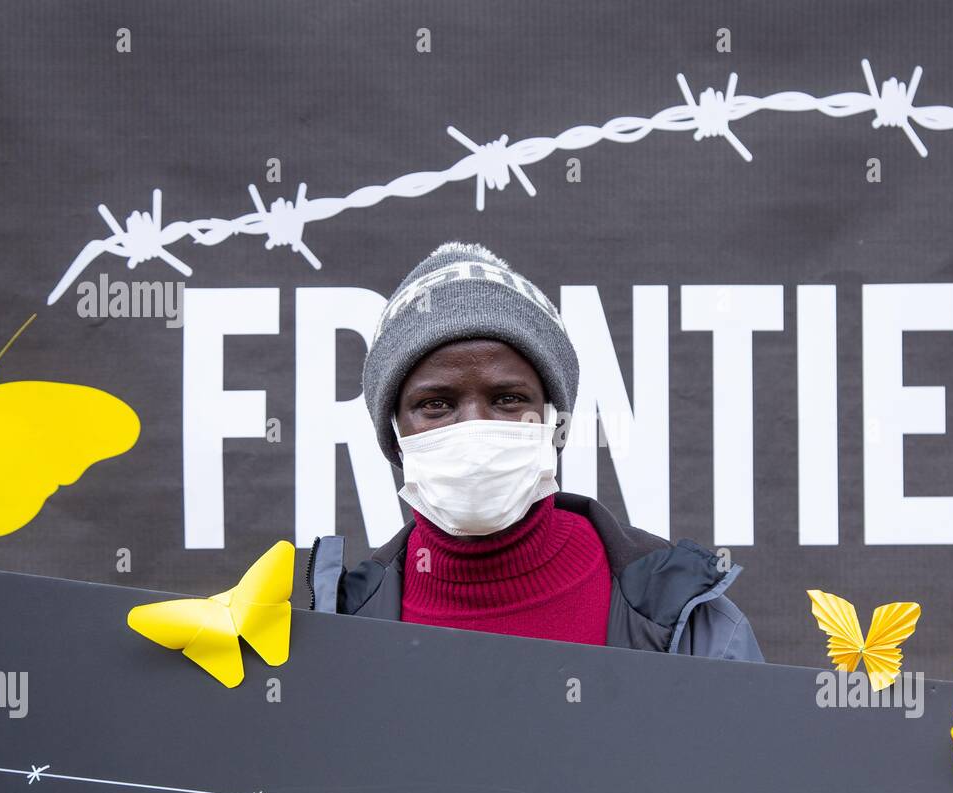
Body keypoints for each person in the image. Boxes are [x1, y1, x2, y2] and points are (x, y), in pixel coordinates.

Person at [307, 241, 763, 662]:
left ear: (553, 421)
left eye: (508, 399)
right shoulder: (332, 627)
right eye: (436, 404)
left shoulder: (687, 618)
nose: (475, 427)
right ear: (394, 434)